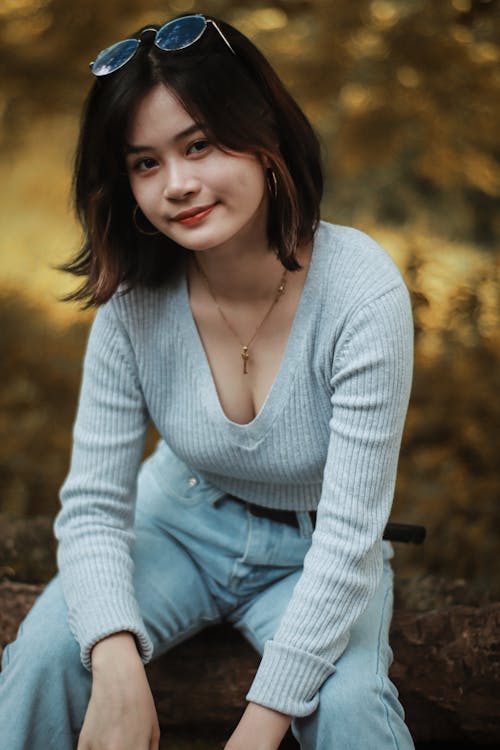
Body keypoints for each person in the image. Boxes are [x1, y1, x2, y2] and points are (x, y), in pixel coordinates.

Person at [0, 13, 416, 750]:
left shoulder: (361, 294)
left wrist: (260, 728)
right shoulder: (133, 304)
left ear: (265, 136)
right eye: (145, 163)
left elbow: (351, 537)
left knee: (352, 707)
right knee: (41, 659)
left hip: (315, 550)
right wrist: (115, 661)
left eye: (199, 145)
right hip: (176, 527)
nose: (179, 185)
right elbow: (94, 507)